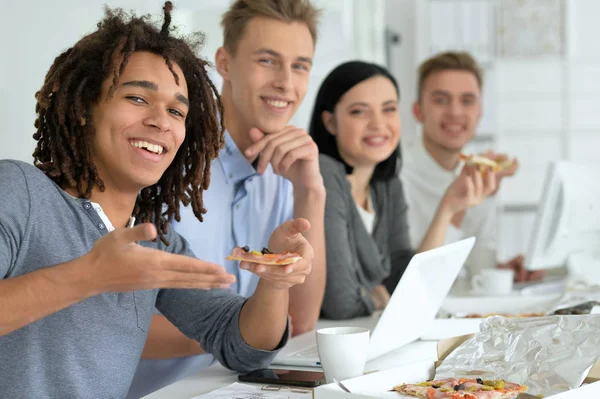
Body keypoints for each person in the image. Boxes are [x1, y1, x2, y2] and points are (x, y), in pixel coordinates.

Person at [0, 4, 314, 398]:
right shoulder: (19, 191)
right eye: (136, 98)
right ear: (83, 107)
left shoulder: (154, 242)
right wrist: (89, 276)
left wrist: (274, 279)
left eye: (176, 110)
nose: (161, 121)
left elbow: (244, 348)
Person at [128, 0, 326, 396]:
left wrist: (310, 192)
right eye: (268, 61)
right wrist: (238, 335)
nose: (286, 83)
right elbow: (110, 321)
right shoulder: (160, 149)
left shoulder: (287, 168)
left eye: (300, 65)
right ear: (225, 63)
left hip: (239, 386)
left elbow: (301, 322)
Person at [309, 61, 496, 319]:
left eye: (388, 109)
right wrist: (373, 295)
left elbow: (407, 286)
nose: (378, 124)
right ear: (330, 122)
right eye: (359, 112)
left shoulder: (385, 184)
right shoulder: (324, 174)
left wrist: (448, 207)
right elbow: (340, 302)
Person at [400, 51, 543, 282]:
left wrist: (503, 272)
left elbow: (477, 266)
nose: (455, 112)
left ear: (479, 113)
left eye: (467, 101)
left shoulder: (478, 174)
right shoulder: (396, 176)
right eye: (441, 100)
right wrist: (460, 205)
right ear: (418, 111)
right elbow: (423, 281)